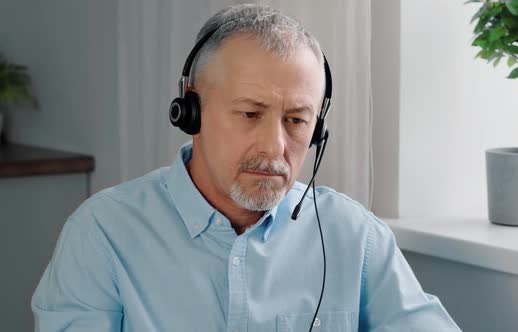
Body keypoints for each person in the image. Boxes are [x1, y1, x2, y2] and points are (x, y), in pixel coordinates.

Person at [32, 4, 461, 331]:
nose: (276, 146)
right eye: (250, 114)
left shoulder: (356, 238)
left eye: (296, 120)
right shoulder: (102, 234)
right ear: (191, 112)